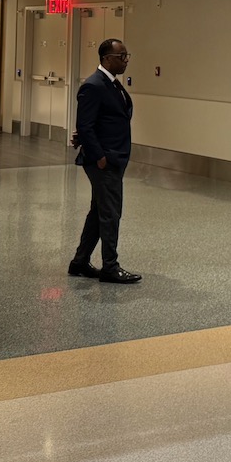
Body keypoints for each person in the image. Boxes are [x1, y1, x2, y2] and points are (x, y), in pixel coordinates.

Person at [68, 38, 141, 284]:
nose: (126, 60)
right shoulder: (94, 85)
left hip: (114, 157)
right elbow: (85, 126)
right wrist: (99, 156)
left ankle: (79, 262)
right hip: (104, 161)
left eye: (126, 55)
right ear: (107, 58)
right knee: (111, 213)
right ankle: (110, 266)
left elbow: (101, 122)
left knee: (99, 211)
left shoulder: (113, 85)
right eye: (122, 56)